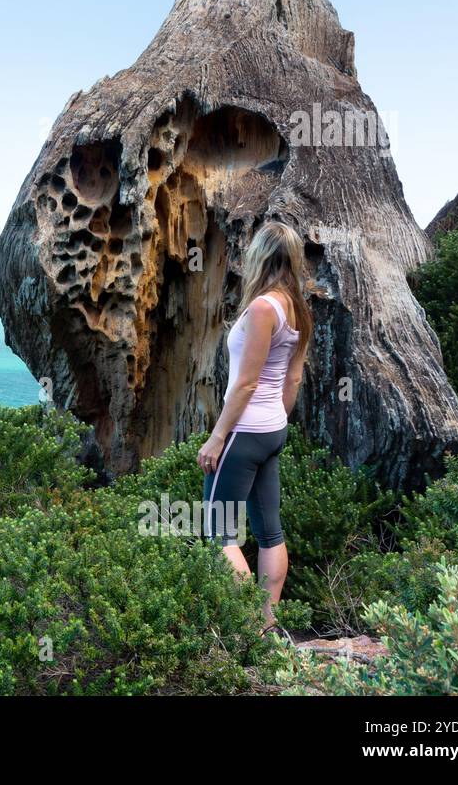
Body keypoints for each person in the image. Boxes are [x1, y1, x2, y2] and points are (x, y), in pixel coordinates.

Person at [197, 221, 311, 631]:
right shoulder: (296, 305)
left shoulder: (264, 308)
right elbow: (292, 379)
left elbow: (246, 382)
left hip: (244, 433)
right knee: (269, 533)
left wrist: (217, 437)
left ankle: (247, 627)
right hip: (271, 431)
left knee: (219, 533)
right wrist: (274, 421)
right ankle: (267, 627)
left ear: (260, 255)